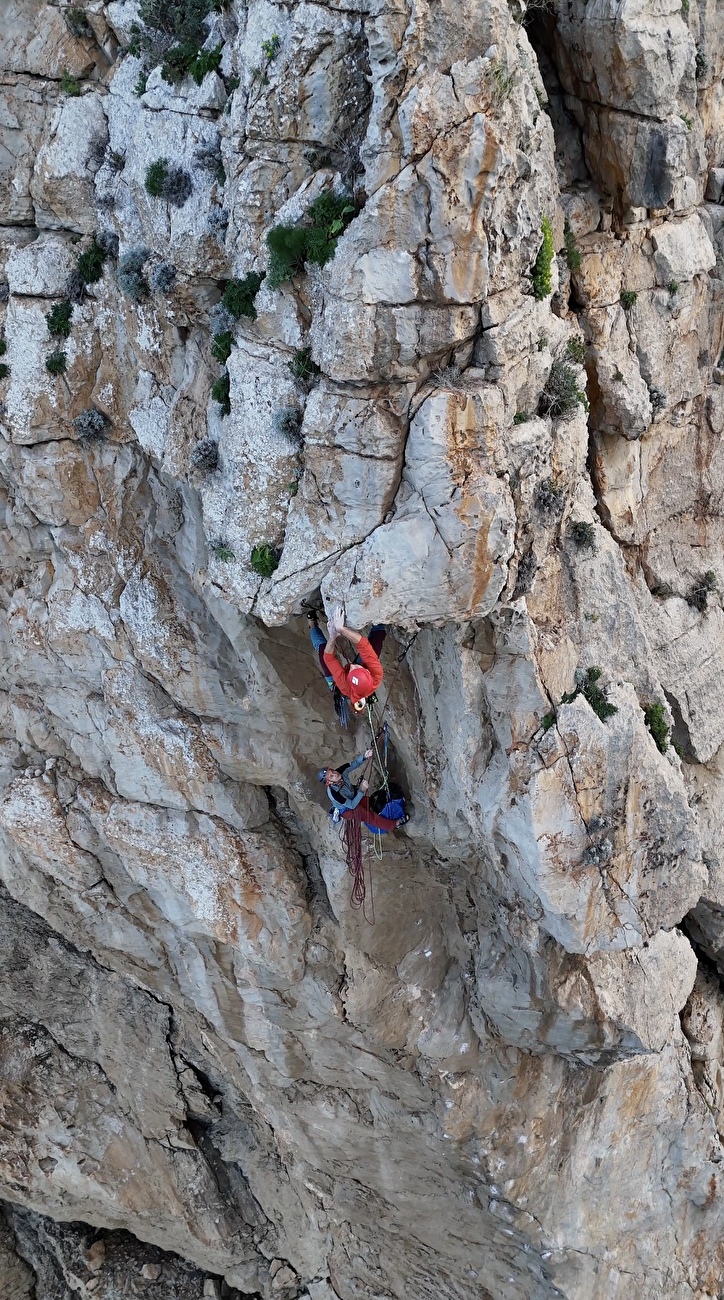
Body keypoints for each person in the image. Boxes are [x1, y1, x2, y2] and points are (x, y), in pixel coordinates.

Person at [319, 605, 386, 714]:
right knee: (376, 643)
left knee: (322, 650)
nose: (353, 665)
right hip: (364, 669)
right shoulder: (376, 676)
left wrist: (333, 636)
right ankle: (380, 618)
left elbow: (328, 658)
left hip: (356, 674)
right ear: (367, 672)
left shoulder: (344, 686)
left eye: (352, 670)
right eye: (356, 668)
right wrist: (342, 629)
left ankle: (312, 624)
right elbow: (363, 645)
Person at [318, 752, 406, 831]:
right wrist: (361, 790)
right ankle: (395, 824)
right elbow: (352, 805)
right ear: (329, 782)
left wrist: (364, 756)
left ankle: (379, 814)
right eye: (331, 776)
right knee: (370, 817)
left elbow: (352, 764)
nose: (335, 774)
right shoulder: (334, 793)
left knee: (369, 801)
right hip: (347, 810)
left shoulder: (340, 772)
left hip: (353, 797)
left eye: (332, 771)